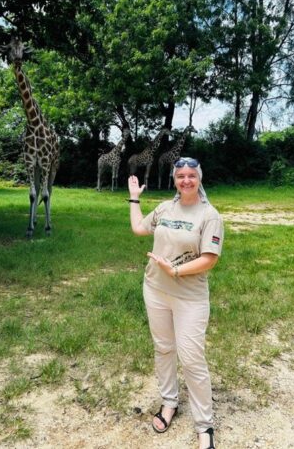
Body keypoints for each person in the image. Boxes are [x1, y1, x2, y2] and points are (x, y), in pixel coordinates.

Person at [128, 157, 223, 449]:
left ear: (199, 178)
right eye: (180, 175)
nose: (186, 180)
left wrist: (177, 270)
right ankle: (169, 402)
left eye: (191, 175)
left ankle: (204, 425)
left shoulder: (210, 215)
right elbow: (139, 229)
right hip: (155, 290)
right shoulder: (164, 209)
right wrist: (134, 198)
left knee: (192, 358)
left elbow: (210, 259)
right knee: (164, 348)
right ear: (175, 179)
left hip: (190, 297)